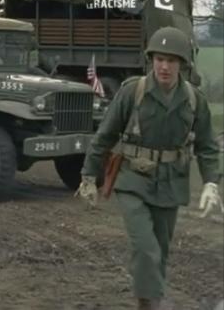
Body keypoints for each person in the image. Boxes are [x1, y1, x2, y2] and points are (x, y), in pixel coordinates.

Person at [75, 26, 222, 310]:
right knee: (146, 249)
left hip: (171, 184)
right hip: (133, 181)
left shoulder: (194, 100)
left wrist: (211, 182)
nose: (164, 66)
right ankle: (152, 306)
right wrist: (88, 177)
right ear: (151, 60)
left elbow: (207, 146)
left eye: (171, 60)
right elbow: (104, 136)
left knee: (160, 252)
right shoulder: (134, 91)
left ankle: (148, 301)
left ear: (182, 64)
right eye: (159, 59)